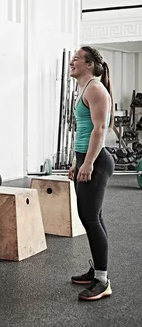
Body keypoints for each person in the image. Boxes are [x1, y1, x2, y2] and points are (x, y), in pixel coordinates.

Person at [68, 46, 115, 301]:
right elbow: (87, 131)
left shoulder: (96, 88)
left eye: (77, 58)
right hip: (86, 159)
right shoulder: (85, 89)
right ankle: (97, 269)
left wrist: (88, 163)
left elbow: (99, 130)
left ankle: (102, 280)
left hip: (96, 161)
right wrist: (78, 162)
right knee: (90, 217)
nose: (72, 62)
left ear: (89, 65)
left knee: (90, 218)